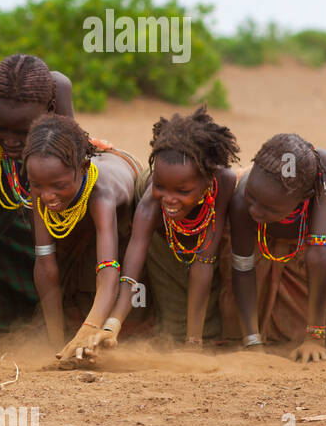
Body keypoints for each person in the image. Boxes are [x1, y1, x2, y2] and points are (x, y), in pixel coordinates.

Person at [85, 106, 238, 353]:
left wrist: (194, 344)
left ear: (208, 181)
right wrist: (113, 324)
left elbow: (205, 259)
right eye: (162, 187)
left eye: (182, 191)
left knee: (206, 330)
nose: (169, 198)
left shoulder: (224, 181)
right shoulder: (150, 198)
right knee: (173, 328)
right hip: (160, 234)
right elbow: (133, 262)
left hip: (197, 234)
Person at [0, 55, 76, 336]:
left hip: (56, 266)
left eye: (22, 132)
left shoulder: (60, 138)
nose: (10, 141)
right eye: (1, 128)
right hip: (0, 272)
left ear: (50, 113)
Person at [22, 114, 144, 363]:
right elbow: (45, 262)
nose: (47, 196)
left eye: (58, 185)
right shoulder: (44, 184)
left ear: (83, 169)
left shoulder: (102, 195)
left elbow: (108, 268)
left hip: (125, 204)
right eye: (38, 186)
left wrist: (88, 330)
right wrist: (55, 343)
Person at [225, 134, 326, 362]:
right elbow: (243, 266)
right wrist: (252, 342)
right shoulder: (240, 201)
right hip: (256, 243)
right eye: (252, 198)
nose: (255, 210)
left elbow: (318, 251)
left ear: (303, 199)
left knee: (295, 328)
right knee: (230, 324)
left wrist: (315, 338)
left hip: (301, 248)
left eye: (268, 208)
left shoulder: (322, 168)